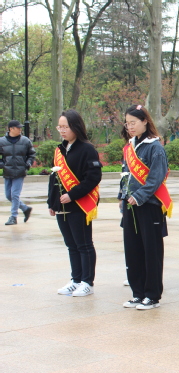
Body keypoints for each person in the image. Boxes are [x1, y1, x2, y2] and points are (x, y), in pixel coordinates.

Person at [120, 105, 172, 310]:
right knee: (133, 250)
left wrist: (139, 196)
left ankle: (152, 295)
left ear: (145, 121)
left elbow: (156, 178)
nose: (130, 127)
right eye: (127, 123)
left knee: (151, 251)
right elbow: (125, 174)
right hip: (130, 205)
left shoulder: (155, 147)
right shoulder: (130, 146)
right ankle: (138, 293)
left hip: (149, 206)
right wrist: (122, 196)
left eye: (133, 122)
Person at [49, 110, 102, 297]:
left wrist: (72, 195)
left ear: (76, 127)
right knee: (71, 245)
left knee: (84, 244)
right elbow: (54, 178)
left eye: (66, 127)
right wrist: (52, 202)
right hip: (62, 206)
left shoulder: (87, 149)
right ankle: (76, 280)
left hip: (80, 204)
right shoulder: (60, 150)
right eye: (60, 127)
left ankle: (87, 282)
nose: (62, 131)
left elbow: (93, 177)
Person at [0, 120, 35, 225]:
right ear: (11, 129)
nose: (20, 129)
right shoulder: (2, 141)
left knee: (15, 194)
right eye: (18, 128)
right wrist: (2, 164)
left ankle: (13, 217)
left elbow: (31, 154)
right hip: (7, 172)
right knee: (8, 195)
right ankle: (25, 208)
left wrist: (28, 163)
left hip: (20, 172)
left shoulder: (25, 141)